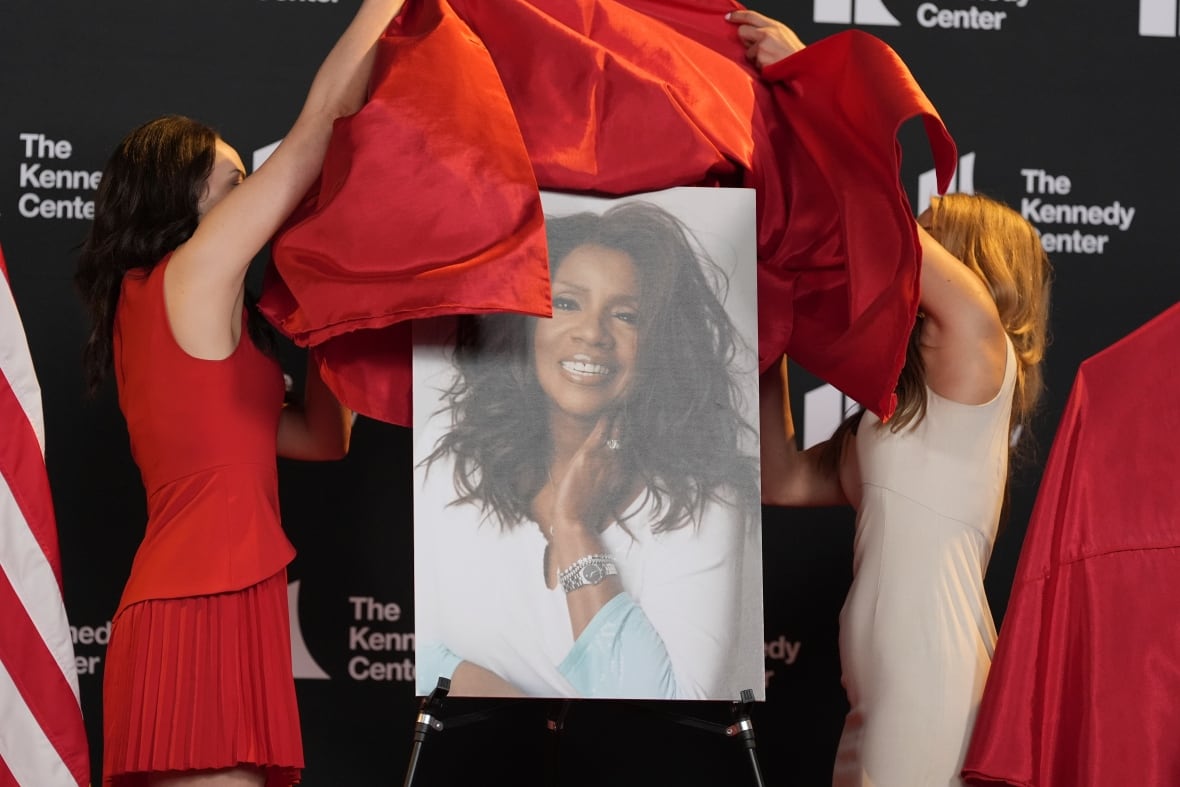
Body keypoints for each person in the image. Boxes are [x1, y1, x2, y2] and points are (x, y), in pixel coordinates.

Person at [73, 2, 405, 784]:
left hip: (226, 595)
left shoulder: (190, 319)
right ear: (181, 201)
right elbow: (318, 126)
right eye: (233, 183)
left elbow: (325, 438)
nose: (253, 194)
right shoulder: (183, 277)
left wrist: (336, 306)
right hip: (196, 600)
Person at [734, 10, 1052, 786]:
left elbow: (883, 227)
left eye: (935, 237)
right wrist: (768, 318)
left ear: (975, 268)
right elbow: (777, 479)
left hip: (930, 678)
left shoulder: (979, 351)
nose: (911, 245)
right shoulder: (892, 421)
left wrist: (812, 83)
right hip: (883, 687)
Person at [413, 199, 764, 700]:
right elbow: (417, 655)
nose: (592, 334)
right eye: (568, 303)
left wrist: (575, 528)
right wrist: (520, 716)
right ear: (528, 322)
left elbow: (670, 707)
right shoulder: (454, 456)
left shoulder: (703, 497)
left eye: (625, 316)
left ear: (660, 342)